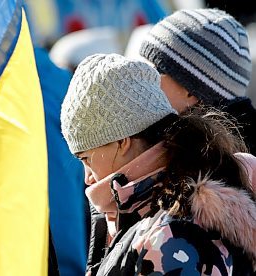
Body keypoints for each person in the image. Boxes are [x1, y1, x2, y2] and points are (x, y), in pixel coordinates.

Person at [60, 53, 256, 275]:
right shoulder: (155, 206)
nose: (87, 177)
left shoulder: (168, 234)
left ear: (121, 142)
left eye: (86, 159)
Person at [139, 8, 256, 154]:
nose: (140, 76)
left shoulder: (215, 164)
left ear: (190, 90)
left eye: (154, 71)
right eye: (141, 66)